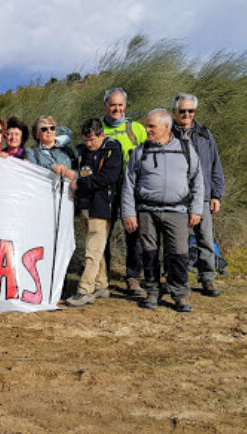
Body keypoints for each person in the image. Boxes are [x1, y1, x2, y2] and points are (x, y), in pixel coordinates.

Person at [121, 109, 204, 312]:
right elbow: (128, 184)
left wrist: (196, 210)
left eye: (151, 126)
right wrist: (129, 213)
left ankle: (180, 295)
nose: (147, 130)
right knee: (149, 253)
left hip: (178, 211)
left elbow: (197, 181)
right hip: (147, 211)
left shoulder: (186, 149)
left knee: (178, 254)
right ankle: (152, 292)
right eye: (147, 125)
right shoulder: (140, 151)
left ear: (166, 127)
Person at [171, 93, 225, 297]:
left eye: (190, 111)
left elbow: (215, 165)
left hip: (202, 195)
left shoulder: (205, 134)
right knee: (177, 240)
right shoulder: (168, 134)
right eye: (182, 111)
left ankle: (208, 279)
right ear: (174, 112)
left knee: (205, 239)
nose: (186, 115)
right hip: (176, 196)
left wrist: (216, 195)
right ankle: (178, 278)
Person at [66, 119, 123, 306]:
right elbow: (81, 173)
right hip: (84, 204)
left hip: (102, 205)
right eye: (86, 140)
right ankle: (101, 284)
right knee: (95, 247)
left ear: (102, 135)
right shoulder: (82, 151)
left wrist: (81, 183)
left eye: (92, 140)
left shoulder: (112, 150)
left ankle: (85, 289)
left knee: (93, 248)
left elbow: (108, 177)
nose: (89, 144)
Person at [101, 87, 148, 298]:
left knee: (134, 233)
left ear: (125, 106)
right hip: (105, 190)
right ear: (105, 106)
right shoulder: (98, 129)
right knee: (103, 234)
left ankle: (133, 277)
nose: (117, 108)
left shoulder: (137, 129)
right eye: (113, 104)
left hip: (132, 188)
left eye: (120, 105)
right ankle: (102, 278)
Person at [25, 115, 76, 180]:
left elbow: (82, 171)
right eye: (44, 129)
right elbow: (32, 169)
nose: (49, 131)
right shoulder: (31, 152)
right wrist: (52, 167)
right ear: (37, 134)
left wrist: (74, 175)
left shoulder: (69, 150)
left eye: (52, 128)